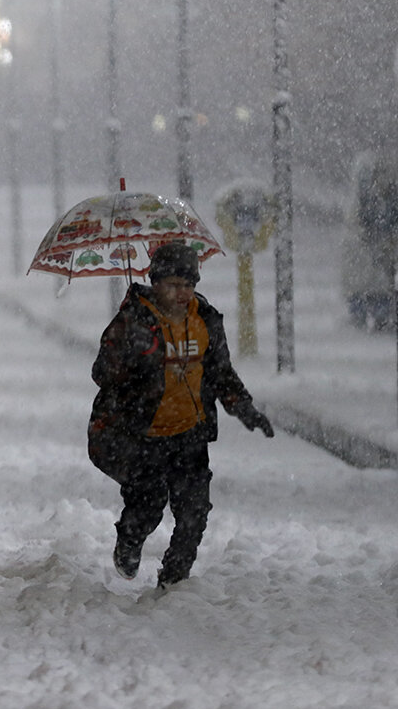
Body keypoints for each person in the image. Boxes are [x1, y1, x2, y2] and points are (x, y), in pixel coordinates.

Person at [88, 241, 274, 588]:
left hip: (190, 433)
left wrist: (244, 408)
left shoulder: (204, 319)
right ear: (154, 282)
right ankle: (129, 540)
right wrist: (135, 355)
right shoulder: (132, 322)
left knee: (194, 513)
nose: (182, 293)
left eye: (188, 285)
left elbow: (220, 372)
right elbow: (102, 373)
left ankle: (174, 581)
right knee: (149, 504)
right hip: (144, 434)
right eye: (173, 285)